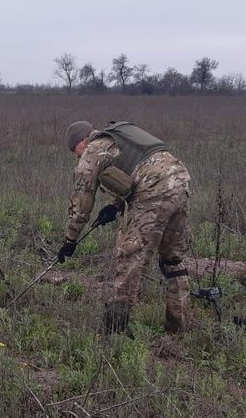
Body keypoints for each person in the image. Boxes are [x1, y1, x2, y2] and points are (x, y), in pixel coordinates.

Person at [58, 120, 192, 334]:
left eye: (75, 150)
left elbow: (81, 199)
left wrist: (70, 239)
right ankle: (178, 328)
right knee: (173, 260)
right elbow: (139, 168)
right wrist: (115, 205)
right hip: (180, 181)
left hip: (153, 192)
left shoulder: (93, 150)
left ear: (83, 140)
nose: (76, 156)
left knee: (129, 258)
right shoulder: (119, 138)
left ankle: (114, 332)